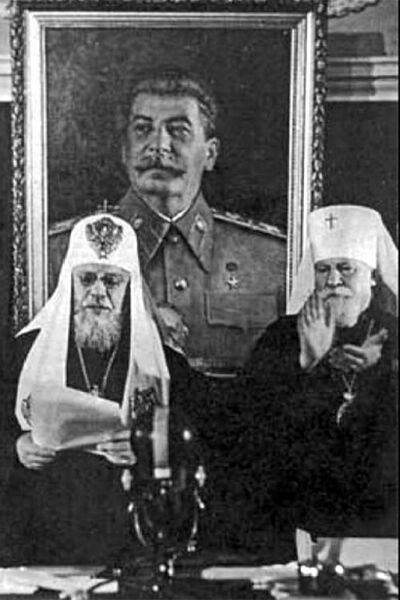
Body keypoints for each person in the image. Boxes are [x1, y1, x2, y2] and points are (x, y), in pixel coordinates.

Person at [0, 213, 217, 566]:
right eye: (87, 278)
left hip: (131, 541)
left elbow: (199, 444)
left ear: (129, 288)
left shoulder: (165, 366)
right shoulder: (22, 354)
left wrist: (144, 448)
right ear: (69, 282)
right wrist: (14, 447)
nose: (98, 292)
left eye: (112, 281)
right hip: (40, 535)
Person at [49, 70, 286, 374]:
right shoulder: (59, 253)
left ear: (210, 154)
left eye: (178, 131)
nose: (159, 145)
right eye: (142, 129)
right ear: (124, 151)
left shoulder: (270, 258)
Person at [236, 205, 398, 555]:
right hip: (297, 522)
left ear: (371, 275)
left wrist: (386, 371)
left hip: (382, 525)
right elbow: (249, 432)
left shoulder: (394, 337)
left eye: (346, 268)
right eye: (323, 270)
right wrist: (306, 362)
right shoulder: (282, 336)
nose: (334, 281)